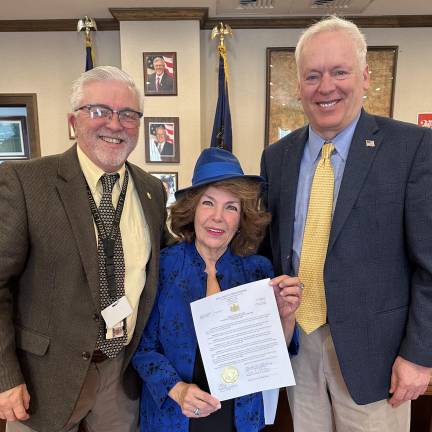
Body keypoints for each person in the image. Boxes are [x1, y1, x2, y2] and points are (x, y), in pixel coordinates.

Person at [260, 15, 432, 432]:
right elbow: (269, 252)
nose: (326, 87)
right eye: (313, 75)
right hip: (300, 344)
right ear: (298, 85)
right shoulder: (276, 157)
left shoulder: (412, 147)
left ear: (365, 75)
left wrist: (420, 354)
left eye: (340, 72)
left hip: (379, 356)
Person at [0, 66, 167, 432]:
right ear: (73, 121)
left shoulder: (153, 191)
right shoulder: (27, 183)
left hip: (120, 375)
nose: (115, 123)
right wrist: (5, 375)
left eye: (128, 114)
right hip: (42, 381)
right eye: (99, 111)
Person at [133, 147, 302, 432]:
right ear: (192, 210)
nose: (218, 217)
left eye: (231, 207)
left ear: (241, 219)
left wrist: (285, 316)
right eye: (208, 203)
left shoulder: (258, 271)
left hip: (240, 416)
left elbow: (275, 351)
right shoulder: (162, 267)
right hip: (175, 413)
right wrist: (177, 390)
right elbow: (141, 347)